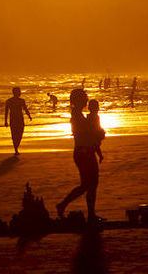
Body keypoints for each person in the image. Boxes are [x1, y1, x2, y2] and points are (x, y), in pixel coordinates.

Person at [56, 88, 102, 224]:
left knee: (90, 184)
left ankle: (90, 214)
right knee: (88, 184)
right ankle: (64, 205)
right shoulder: (77, 116)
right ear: (78, 100)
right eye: (84, 97)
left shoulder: (79, 115)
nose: (86, 100)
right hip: (83, 152)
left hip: (85, 151)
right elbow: (84, 134)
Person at [4, 87, 32, 155]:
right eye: (19, 92)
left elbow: (25, 109)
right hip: (14, 119)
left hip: (18, 119)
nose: (20, 93)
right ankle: (16, 148)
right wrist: (5, 121)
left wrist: (29, 115)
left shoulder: (21, 101)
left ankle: (16, 146)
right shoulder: (9, 101)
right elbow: (6, 111)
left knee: (19, 133)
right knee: (15, 134)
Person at [86, 99, 105, 163]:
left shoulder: (93, 116)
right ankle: (100, 156)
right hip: (93, 139)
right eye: (97, 107)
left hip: (93, 139)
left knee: (96, 145)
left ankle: (100, 156)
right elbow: (94, 128)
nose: (98, 109)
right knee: (95, 145)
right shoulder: (93, 117)